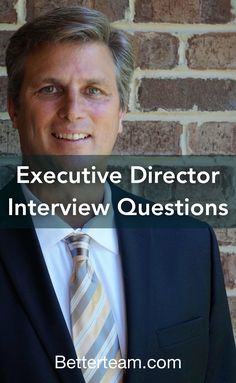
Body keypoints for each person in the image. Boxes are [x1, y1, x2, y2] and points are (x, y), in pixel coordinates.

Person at [0, 6, 235, 383]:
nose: (73, 111)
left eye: (94, 91)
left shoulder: (189, 245)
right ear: (13, 106)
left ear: (122, 111)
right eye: (49, 89)